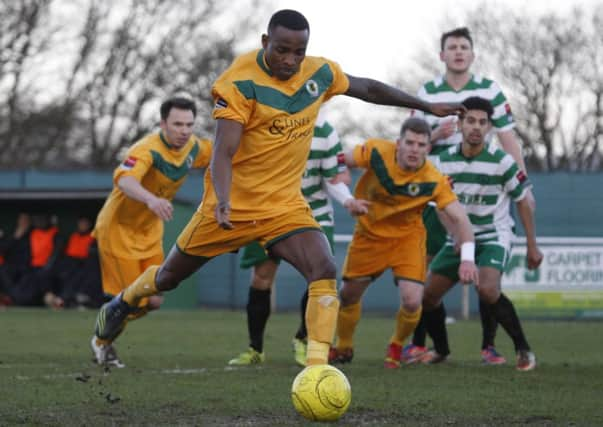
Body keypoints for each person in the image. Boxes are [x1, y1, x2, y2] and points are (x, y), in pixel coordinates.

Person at [93, 9, 465, 369]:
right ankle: (123, 303)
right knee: (168, 279)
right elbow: (223, 151)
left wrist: (425, 106)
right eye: (282, 50)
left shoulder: (319, 72)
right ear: (265, 41)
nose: (290, 60)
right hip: (230, 207)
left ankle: (318, 369)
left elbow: (367, 88)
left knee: (323, 269)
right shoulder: (239, 82)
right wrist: (222, 200)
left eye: (298, 52)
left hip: (284, 208)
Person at [404, 27, 535, 365]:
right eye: (452, 47)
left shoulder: (489, 90)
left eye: (464, 47)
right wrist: (436, 133)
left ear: (472, 55)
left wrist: (522, 179)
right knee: (424, 274)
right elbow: (412, 140)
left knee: (484, 280)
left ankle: (490, 346)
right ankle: (422, 344)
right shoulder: (428, 92)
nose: (459, 52)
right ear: (442, 55)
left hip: (483, 185)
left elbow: (508, 138)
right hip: (443, 186)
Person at [329, 117, 478, 369]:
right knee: (348, 295)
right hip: (369, 235)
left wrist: (467, 259)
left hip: (407, 239)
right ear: (398, 143)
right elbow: (336, 161)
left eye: (421, 145)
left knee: (412, 300)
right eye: (409, 142)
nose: (414, 149)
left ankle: (397, 344)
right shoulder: (376, 151)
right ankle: (343, 345)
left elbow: (461, 218)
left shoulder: (433, 178)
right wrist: (345, 189)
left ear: (428, 149)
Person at [228, 110, 369, 367]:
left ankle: (303, 339)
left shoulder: (324, 131)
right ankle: (255, 349)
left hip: (311, 213)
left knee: (319, 275)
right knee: (261, 277)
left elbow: (334, 177)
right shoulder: (264, 122)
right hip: (266, 211)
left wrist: (348, 200)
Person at [422, 96, 542, 371]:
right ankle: (441, 349)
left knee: (487, 289)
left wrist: (532, 246)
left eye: (482, 122)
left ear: (489, 128)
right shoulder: (441, 163)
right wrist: (457, 236)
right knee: (427, 297)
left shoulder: (503, 162)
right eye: (471, 121)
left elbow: (523, 201)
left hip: (493, 235)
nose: (476, 127)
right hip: (459, 238)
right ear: (460, 124)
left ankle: (523, 349)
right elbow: (440, 206)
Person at [90, 97, 212, 368]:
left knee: (153, 301)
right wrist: (150, 199)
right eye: (177, 124)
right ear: (163, 124)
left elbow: (226, 150)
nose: (184, 130)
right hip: (118, 230)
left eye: (189, 124)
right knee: (129, 299)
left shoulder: (194, 147)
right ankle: (102, 344)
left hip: (148, 232)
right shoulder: (147, 148)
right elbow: (125, 179)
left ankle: (108, 317)